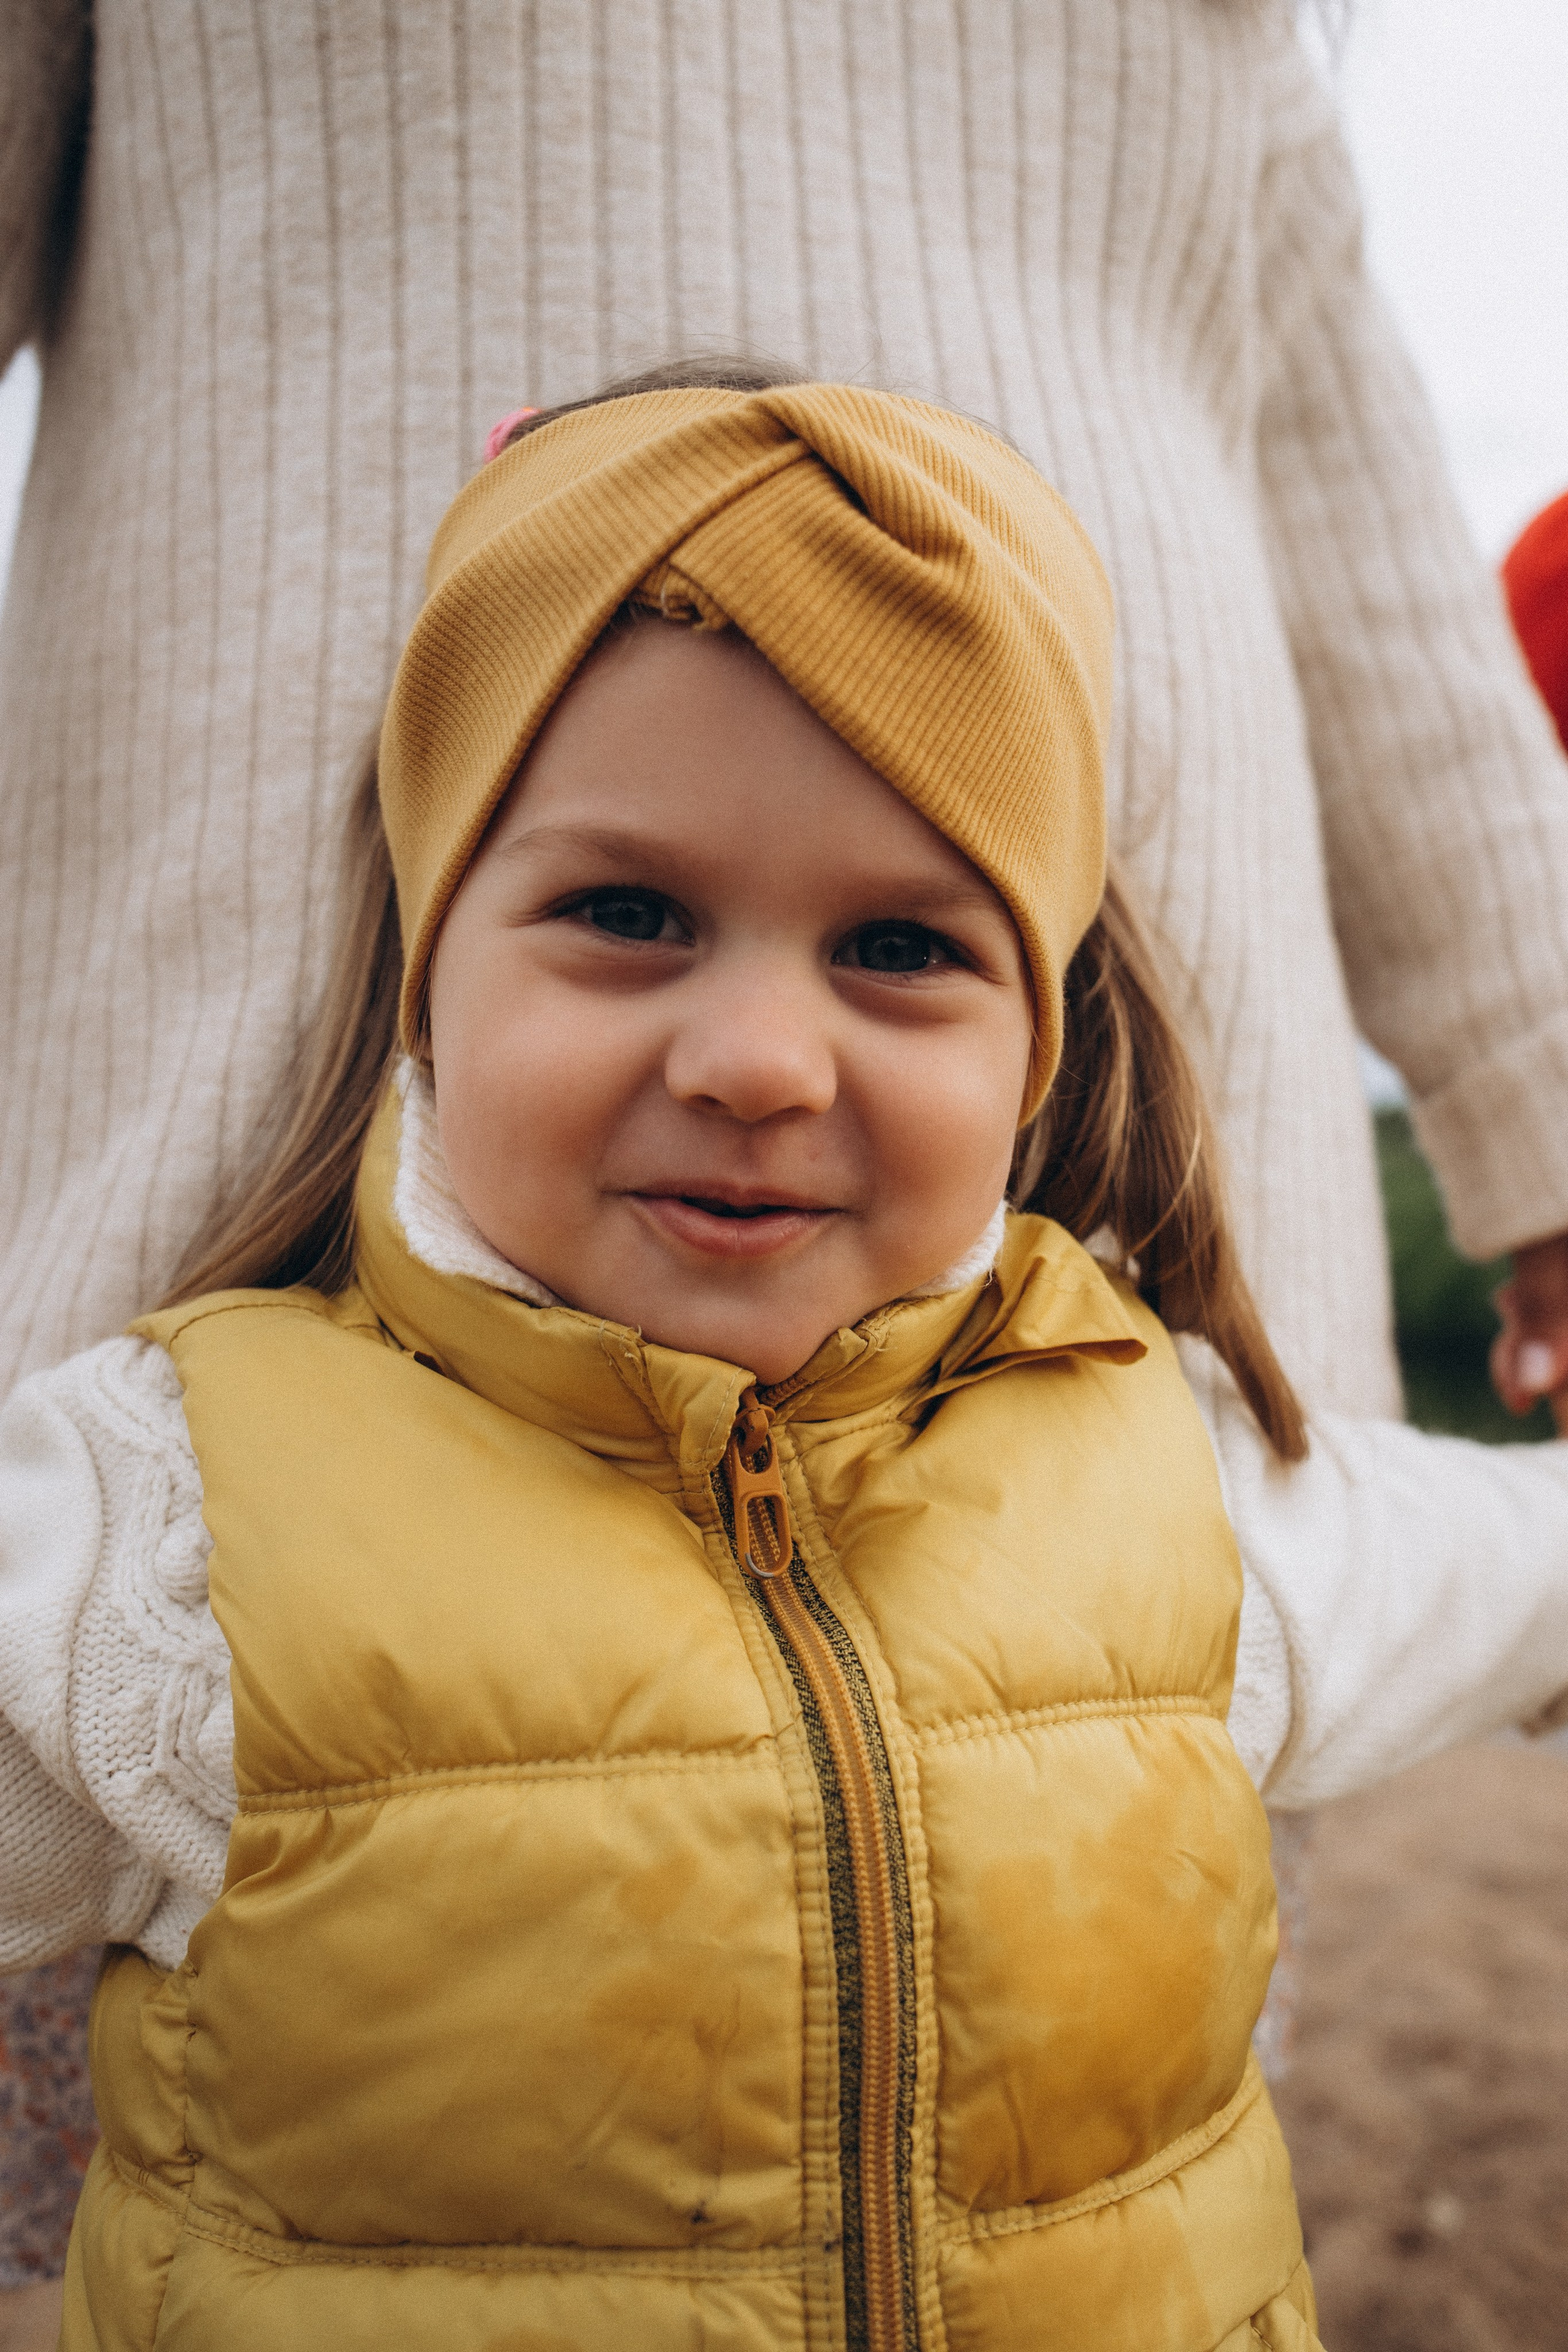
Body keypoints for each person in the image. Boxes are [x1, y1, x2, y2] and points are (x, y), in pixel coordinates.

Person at [11, 1, 1568, 2318]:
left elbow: (1364, 532)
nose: (757, 1058)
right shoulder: (133, 1552)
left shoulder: (1194, 1497)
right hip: (277, 949)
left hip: (1111, 1029)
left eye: (887, 956)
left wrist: (1541, 1098)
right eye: (642, 919)